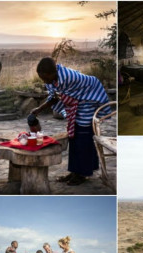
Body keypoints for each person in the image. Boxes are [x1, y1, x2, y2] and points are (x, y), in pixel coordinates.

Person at [30, 57, 111, 186]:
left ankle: (83, 174)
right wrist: (38, 109)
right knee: (74, 138)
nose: (44, 81)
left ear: (51, 73)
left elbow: (58, 97)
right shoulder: (56, 79)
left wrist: (41, 109)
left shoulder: (67, 79)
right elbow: (55, 95)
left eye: (45, 78)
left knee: (83, 137)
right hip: (79, 101)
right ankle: (74, 172)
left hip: (89, 98)